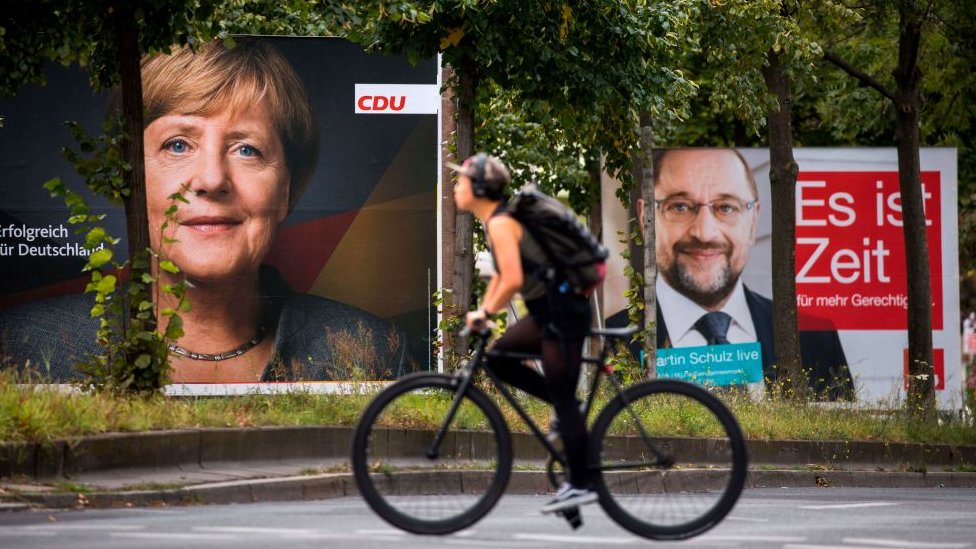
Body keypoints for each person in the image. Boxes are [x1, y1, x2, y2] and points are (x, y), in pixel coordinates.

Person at [0, 39, 406, 383]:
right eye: (178, 144)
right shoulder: (21, 345)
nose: (212, 179)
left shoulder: (375, 352)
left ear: (285, 189)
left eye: (246, 149)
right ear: (129, 179)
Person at [450, 152, 597, 514]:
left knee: (565, 402)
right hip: (549, 312)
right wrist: (485, 312)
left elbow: (513, 279)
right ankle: (566, 413)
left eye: (461, 181)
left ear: (479, 188)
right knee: (498, 358)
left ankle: (581, 484)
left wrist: (484, 312)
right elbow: (503, 277)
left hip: (563, 314)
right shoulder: (498, 222)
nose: (456, 187)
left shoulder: (502, 223)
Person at [650, 148, 853, 400]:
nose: (704, 233)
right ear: (645, 216)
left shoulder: (817, 340)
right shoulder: (611, 341)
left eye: (726, 207)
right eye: (679, 206)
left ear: (753, 220)